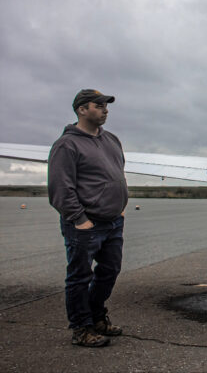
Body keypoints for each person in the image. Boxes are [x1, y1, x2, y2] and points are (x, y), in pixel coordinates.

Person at [48, 89, 128, 347]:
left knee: (109, 271)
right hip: (85, 224)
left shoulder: (112, 140)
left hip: (113, 221)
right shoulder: (66, 145)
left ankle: (96, 316)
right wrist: (79, 219)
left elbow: (118, 173)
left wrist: (121, 207)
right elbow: (61, 188)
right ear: (82, 109)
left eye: (106, 105)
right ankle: (81, 328)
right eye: (99, 105)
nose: (105, 109)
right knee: (80, 277)